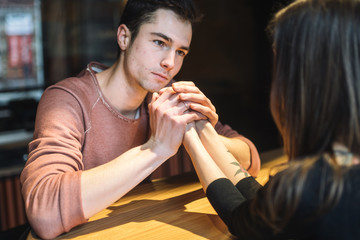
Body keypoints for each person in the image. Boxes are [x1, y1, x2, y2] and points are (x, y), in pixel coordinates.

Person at [20, 0, 260, 239]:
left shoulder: (169, 96)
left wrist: (206, 131)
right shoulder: (67, 100)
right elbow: (45, 213)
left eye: (180, 52)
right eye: (159, 42)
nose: (170, 63)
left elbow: (250, 160)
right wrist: (156, 149)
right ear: (124, 37)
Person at [183, 0, 360, 239]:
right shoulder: (334, 169)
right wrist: (203, 129)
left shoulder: (311, 190)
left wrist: (189, 136)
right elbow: (263, 205)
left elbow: (241, 218)